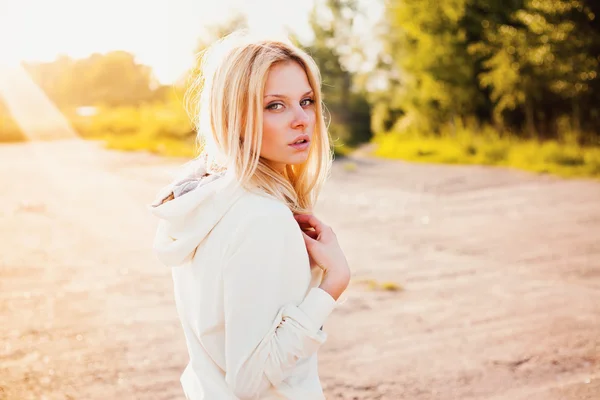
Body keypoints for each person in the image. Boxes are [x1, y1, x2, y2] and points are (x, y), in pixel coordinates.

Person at [149, 29, 350, 400]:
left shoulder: (209, 201)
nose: (302, 119)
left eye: (306, 101)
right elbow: (250, 381)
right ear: (235, 118)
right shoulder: (262, 219)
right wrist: (333, 283)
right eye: (275, 105)